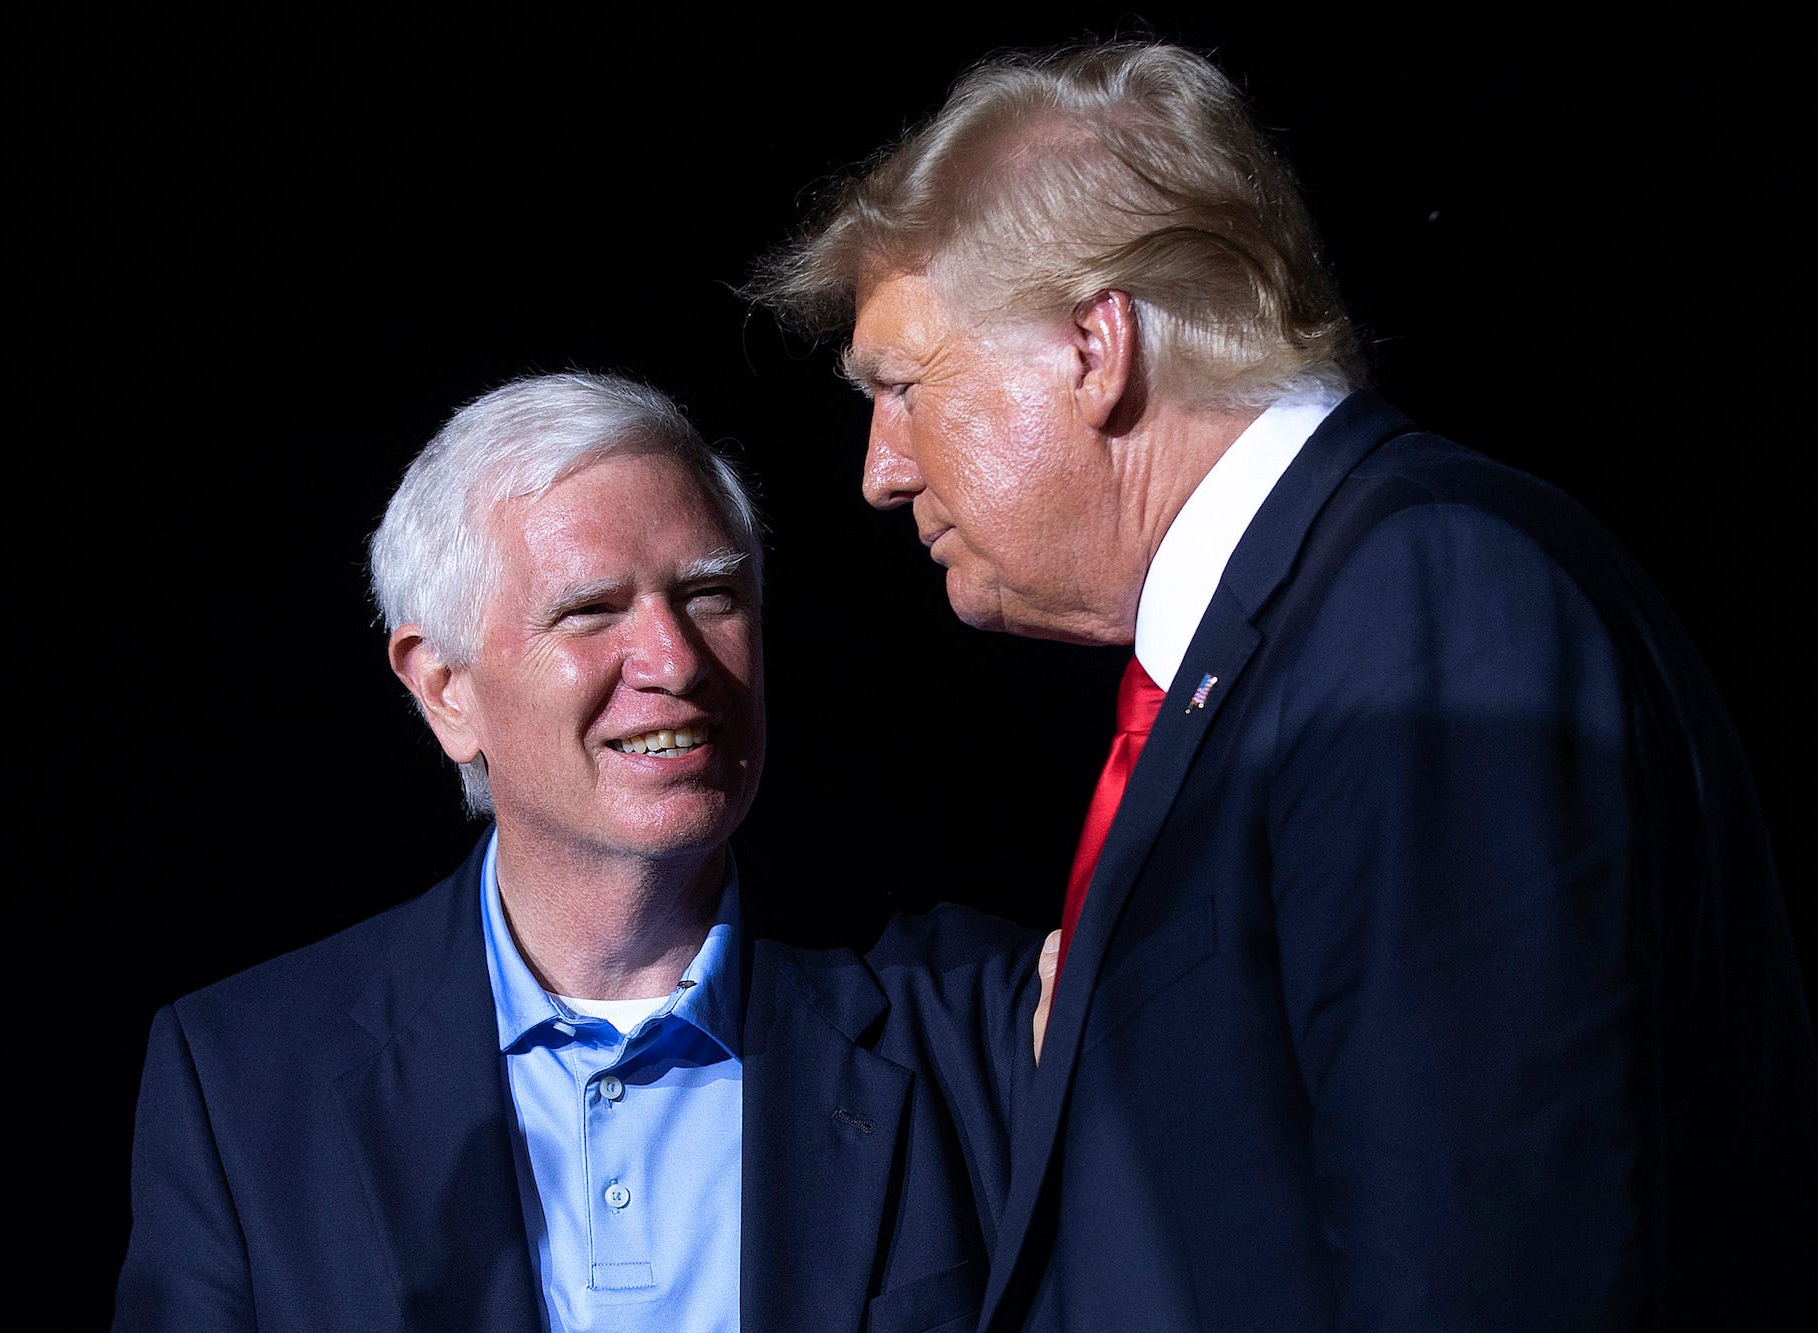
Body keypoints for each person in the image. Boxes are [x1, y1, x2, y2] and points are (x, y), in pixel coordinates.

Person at [753, 39, 1818, 1331]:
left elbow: (1486, 1267)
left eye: (904, 389)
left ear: (1096, 346)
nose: (880, 472)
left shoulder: (1419, 597)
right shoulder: (1286, 638)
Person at [111, 372, 1040, 1332]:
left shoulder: (980, 1016)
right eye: (592, 610)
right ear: (444, 690)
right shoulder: (248, 1080)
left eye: (712, 593)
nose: (675, 661)